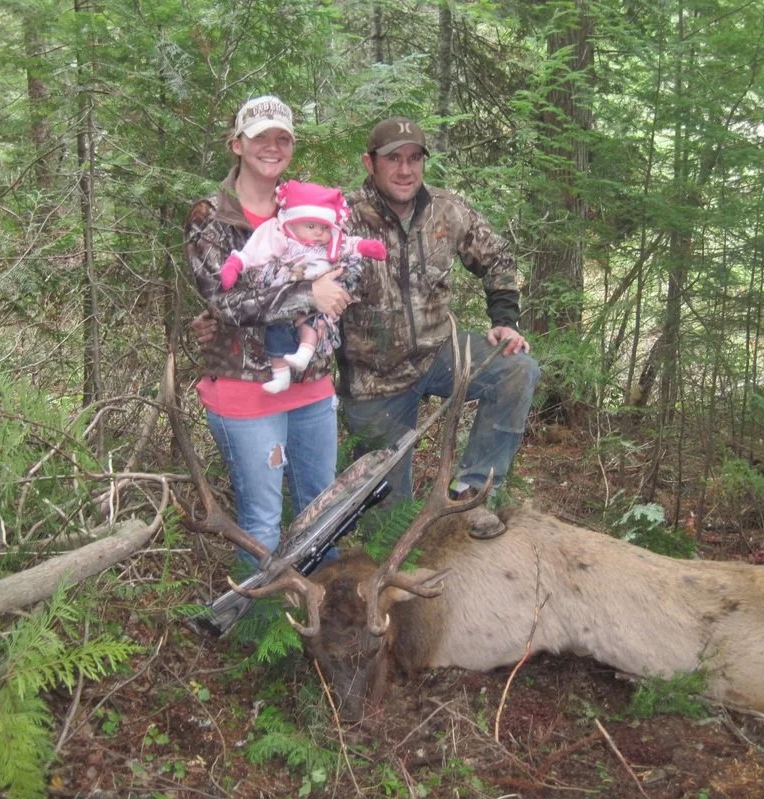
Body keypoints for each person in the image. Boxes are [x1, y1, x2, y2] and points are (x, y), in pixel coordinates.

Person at [338, 116, 540, 539]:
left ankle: (471, 493)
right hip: (374, 383)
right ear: (369, 163)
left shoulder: (447, 210)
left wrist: (504, 321)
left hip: (437, 354)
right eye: (394, 159)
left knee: (516, 369)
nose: (406, 170)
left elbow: (498, 258)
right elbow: (297, 270)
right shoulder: (342, 217)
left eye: (415, 158)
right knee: (388, 531)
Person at [183, 95, 354, 570]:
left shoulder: (307, 207)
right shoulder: (210, 215)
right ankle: (257, 628)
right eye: (260, 138)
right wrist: (308, 296)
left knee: (323, 518)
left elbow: (346, 273)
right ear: (237, 144)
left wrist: (328, 288)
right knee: (261, 524)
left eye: (283, 138)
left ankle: (317, 629)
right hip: (245, 392)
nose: (272, 147)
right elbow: (224, 299)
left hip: (312, 387)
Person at [219, 180, 386, 393]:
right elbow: (254, 253)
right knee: (275, 332)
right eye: (311, 226)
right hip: (281, 302)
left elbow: (350, 244)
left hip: (317, 306)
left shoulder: (328, 245)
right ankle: (281, 375)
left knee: (314, 322)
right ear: (292, 222)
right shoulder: (281, 238)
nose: (318, 233)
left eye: (324, 228)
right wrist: (235, 265)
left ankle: (304, 353)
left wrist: (366, 247)